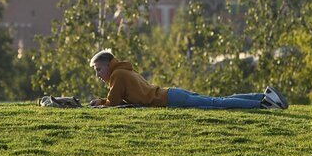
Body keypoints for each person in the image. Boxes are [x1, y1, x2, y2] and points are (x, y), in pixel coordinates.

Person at [88, 49, 288, 109]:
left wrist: (99, 105)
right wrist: (102, 100)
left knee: (218, 104)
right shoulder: (123, 71)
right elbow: (118, 100)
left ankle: (264, 104)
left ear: (108, 65)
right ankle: (263, 96)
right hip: (172, 94)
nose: (98, 74)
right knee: (218, 101)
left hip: (170, 99)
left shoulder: (117, 75)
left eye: (98, 69)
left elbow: (112, 105)